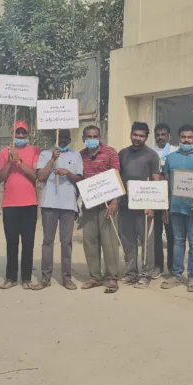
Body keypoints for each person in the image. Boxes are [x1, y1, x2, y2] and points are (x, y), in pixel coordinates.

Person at [160, 125, 193, 291]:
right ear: (179, 138)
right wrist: (165, 207)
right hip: (175, 207)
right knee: (177, 241)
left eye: (190, 137)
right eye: (183, 137)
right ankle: (176, 275)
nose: (186, 140)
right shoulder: (170, 158)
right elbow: (166, 183)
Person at [34, 130, 82, 290]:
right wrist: (52, 160)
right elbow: (41, 177)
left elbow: (79, 179)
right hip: (49, 203)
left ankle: (67, 278)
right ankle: (45, 278)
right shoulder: (45, 154)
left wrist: (67, 173)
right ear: (55, 138)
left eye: (66, 138)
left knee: (66, 242)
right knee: (47, 241)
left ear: (69, 139)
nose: (62, 141)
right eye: (60, 138)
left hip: (68, 204)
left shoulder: (76, 155)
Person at [78, 125, 122, 294]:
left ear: (100, 137)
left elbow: (116, 176)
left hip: (107, 205)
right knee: (90, 242)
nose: (92, 139)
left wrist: (114, 201)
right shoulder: (80, 155)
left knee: (109, 242)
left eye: (95, 136)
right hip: (89, 205)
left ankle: (112, 277)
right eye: (89, 137)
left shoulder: (110, 152)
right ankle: (95, 277)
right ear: (83, 139)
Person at [0, 120, 41, 289]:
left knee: (28, 242)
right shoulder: (4, 152)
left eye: (24, 133)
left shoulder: (35, 151)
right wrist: (10, 162)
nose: (21, 135)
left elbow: (35, 176)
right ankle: (11, 277)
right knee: (11, 242)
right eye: (18, 133)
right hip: (10, 204)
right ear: (12, 134)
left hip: (30, 204)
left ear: (28, 134)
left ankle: (26, 278)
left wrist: (19, 161)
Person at [118, 122, 161, 288]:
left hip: (144, 206)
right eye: (135, 134)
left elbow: (156, 181)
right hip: (124, 205)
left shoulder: (152, 155)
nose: (137, 138)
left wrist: (152, 205)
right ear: (131, 134)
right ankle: (131, 273)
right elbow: (117, 177)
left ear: (146, 137)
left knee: (146, 242)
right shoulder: (123, 153)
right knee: (127, 241)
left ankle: (145, 275)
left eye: (141, 136)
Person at [151, 123, 174, 277]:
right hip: (154, 198)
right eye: (158, 135)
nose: (160, 137)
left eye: (163, 134)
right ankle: (158, 266)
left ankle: (172, 266)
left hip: (171, 199)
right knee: (155, 234)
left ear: (169, 136)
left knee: (172, 234)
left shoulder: (175, 151)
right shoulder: (150, 152)